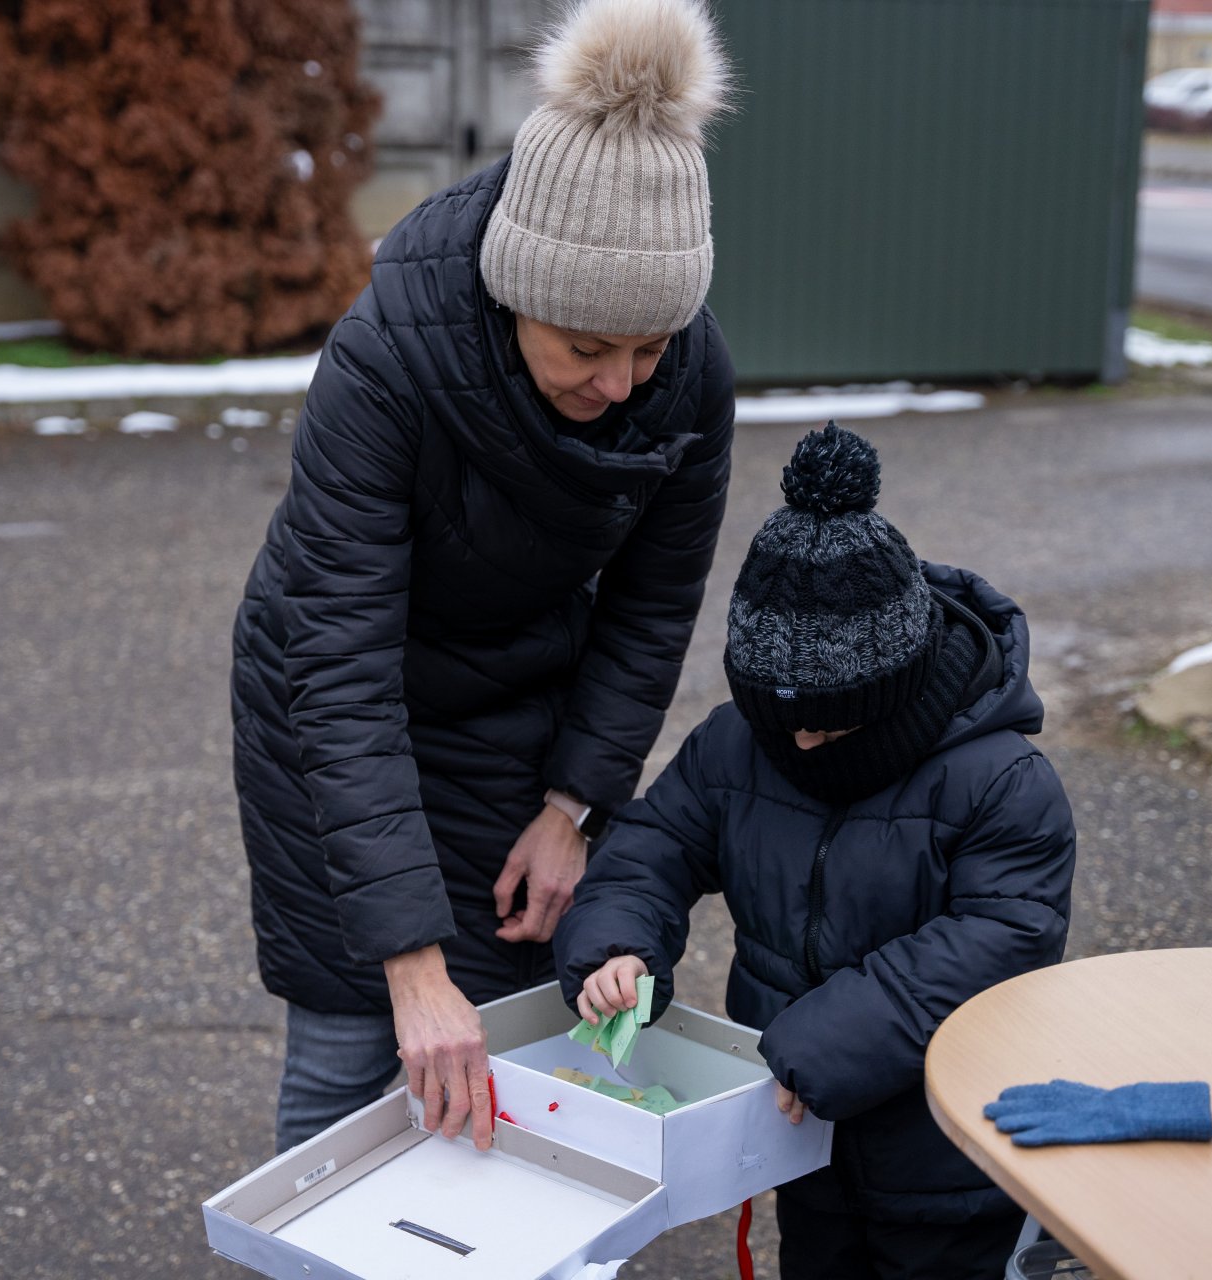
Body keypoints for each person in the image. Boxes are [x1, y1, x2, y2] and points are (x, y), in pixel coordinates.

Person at [229, 0, 734, 1156]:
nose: (622, 383)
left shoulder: (692, 375)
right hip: (335, 698)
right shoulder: (384, 364)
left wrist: (572, 804)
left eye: (648, 349)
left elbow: (652, 609)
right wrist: (409, 964)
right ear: (514, 293)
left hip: (517, 700)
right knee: (362, 1030)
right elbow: (340, 667)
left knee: (505, 1015)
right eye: (585, 350)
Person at [554, 423, 1077, 1280]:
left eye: (827, 719)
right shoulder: (738, 743)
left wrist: (827, 1041)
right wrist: (615, 941)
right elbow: (654, 843)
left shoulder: (1002, 780)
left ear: (897, 684)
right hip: (803, 1138)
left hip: (948, 1158)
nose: (797, 742)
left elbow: (1000, 939)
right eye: (777, 715)